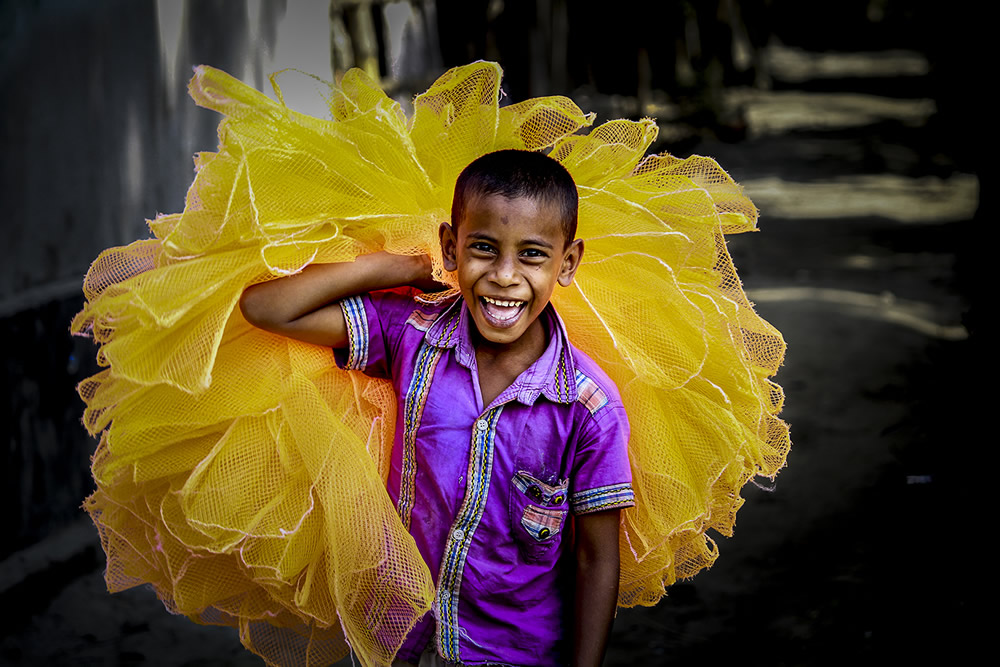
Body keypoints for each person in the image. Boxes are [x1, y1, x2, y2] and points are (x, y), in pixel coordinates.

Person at [239, 149, 635, 666]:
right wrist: (395, 267)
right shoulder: (412, 334)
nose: (504, 276)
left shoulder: (589, 406)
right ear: (452, 247)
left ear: (568, 262)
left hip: (513, 652)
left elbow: (596, 558)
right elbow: (265, 307)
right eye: (484, 248)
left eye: (533, 254)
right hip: (396, 636)